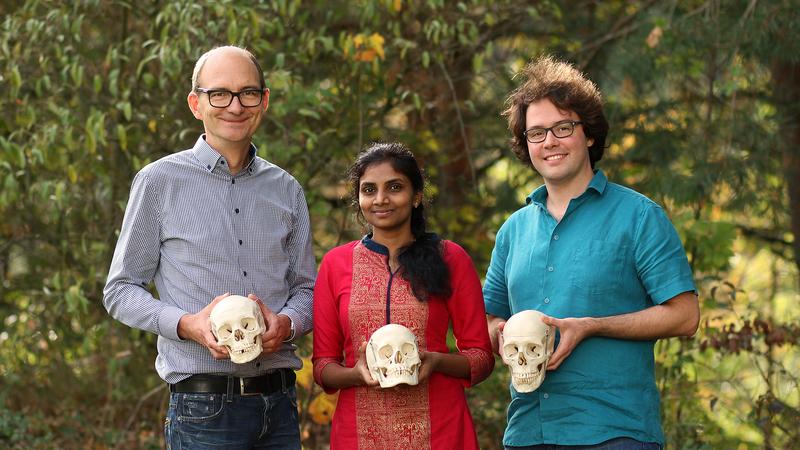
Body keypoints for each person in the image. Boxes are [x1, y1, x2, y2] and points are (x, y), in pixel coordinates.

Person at [103, 45, 316, 449]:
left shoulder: (287, 190)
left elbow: (307, 290)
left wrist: (287, 323)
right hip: (203, 411)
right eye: (219, 94)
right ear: (196, 103)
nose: (235, 106)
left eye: (248, 93)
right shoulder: (158, 182)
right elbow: (120, 291)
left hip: (281, 406)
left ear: (264, 101)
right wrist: (187, 324)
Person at [483, 55, 700, 450]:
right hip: (528, 431)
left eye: (562, 127)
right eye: (536, 133)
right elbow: (489, 317)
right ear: (525, 144)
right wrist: (501, 333)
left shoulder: (639, 217)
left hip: (614, 430)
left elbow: (685, 316)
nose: (549, 141)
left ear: (588, 135)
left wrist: (592, 325)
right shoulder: (513, 230)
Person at [312, 142, 494, 449]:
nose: (380, 199)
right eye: (369, 190)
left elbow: (481, 358)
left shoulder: (450, 258)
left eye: (394, 187)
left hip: (441, 431)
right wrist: (355, 374)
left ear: (417, 196)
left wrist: (436, 361)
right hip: (357, 435)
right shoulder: (335, 264)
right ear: (359, 199)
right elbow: (322, 367)